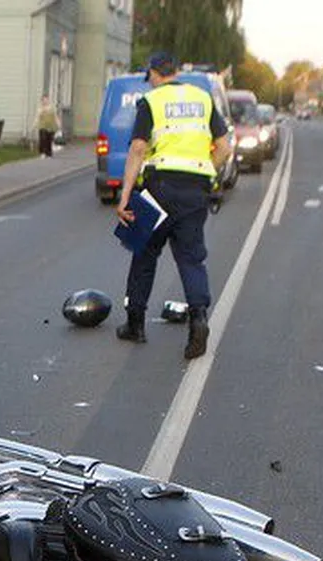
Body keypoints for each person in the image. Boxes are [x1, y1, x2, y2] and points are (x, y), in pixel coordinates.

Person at [115, 51, 232, 357]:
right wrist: (206, 170)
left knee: (144, 253)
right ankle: (198, 320)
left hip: (159, 188)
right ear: (176, 72)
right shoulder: (203, 99)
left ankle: (135, 324)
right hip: (195, 190)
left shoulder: (151, 102)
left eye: (149, 77)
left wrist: (125, 195)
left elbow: (139, 149)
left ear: (154, 73)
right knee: (191, 258)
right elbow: (224, 148)